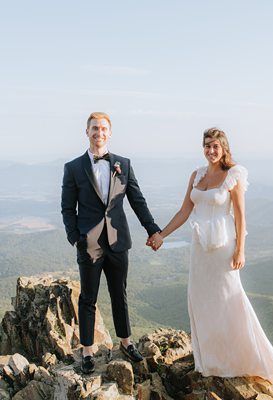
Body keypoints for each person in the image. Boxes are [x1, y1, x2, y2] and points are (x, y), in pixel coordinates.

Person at [147, 127, 273, 399]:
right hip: (200, 248)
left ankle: (245, 358)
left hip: (224, 247)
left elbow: (241, 215)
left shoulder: (234, 175)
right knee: (201, 299)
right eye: (207, 146)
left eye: (215, 146)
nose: (210, 150)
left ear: (224, 149)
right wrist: (161, 235)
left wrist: (241, 250)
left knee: (230, 300)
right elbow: (185, 211)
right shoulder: (196, 175)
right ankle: (211, 359)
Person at [61, 112, 164, 374]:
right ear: (87, 132)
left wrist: (153, 230)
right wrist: (76, 238)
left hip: (119, 241)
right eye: (95, 128)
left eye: (104, 128)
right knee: (88, 298)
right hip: (89, 244)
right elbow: (67, 208)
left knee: (120, 294)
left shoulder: (123, 164)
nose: (99, 133)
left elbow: (137, 200)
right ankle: (87, 351)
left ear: (110, 132)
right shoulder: (73, 167)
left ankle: (126, 342)